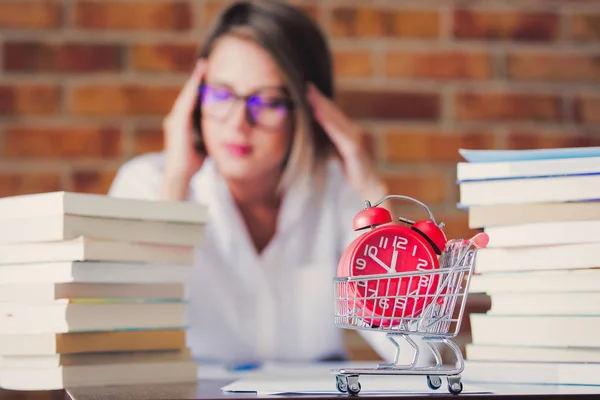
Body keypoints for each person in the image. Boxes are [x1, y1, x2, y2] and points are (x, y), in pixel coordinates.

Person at [109, 0, 421, 365]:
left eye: (268, 101)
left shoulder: (338, 191)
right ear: (194, 99)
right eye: (221, 95)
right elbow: (128, 353)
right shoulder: (148, 184)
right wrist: (176, 186)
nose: (239, 123)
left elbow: (414, 348)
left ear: (307, 112)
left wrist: (372, 189)